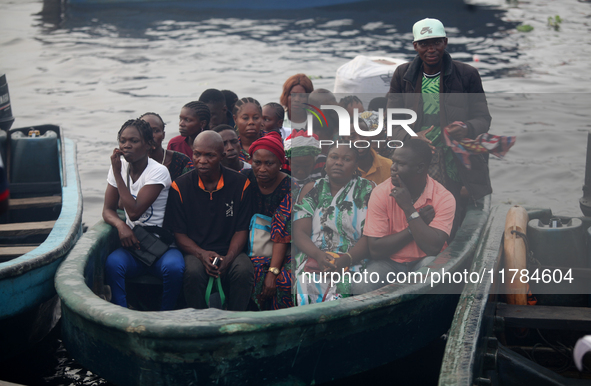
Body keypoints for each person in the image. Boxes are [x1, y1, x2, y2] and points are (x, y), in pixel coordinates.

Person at [386, 17, 492, 207]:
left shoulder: (467, 74)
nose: (431, 49)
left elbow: (483, 118)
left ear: (445, 42)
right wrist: (411, 136)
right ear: (415, 46)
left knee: (449, 208)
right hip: (416, 158)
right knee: (416, 207)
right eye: (424, 44)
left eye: (436, 42)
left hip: (454, 159)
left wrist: (467, 128)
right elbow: (391, 121)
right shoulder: (402, 75)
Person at [165, 131, 254, 311]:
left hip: (230, 250)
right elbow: (179, 234)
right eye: (197, 154)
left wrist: (228, 258)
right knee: (192, 272)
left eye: (209, 155)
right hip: (196, 250)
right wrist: (202, 254)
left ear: (221, 156)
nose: (202, 160)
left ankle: (238, 320)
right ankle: (198, 322)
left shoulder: (240, 183)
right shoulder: (180, 187)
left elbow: (241, 229)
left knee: (243, 270)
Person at [352, 139, 455, 295]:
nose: (392, 168)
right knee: (361, 286)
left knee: (431, 273)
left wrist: (408, 208)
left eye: (400, 164)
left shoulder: (443, 198)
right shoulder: (381, 193)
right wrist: (415, 223)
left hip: (424, 260)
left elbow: (432, 248)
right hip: (389, 262)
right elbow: (375, 250)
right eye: (393, 162)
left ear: (420, 168)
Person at [103, 119, 185, 311]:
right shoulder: (120, 167)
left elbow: (133, 211)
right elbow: (108, 209)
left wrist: (117, 173)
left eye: (134, 141)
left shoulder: (158, 172)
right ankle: (121, 317)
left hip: (161, 246)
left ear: (149, 144)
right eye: (122, 141)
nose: (126, 146)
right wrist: (121, 226)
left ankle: (166, 317)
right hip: (134, 246)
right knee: (113, 264)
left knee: (174, 268)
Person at [293, 144, 374, 305]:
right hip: (315, 256)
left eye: (346, 159)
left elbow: (371, 235)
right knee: (305, 285)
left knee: (345, 294)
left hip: (353, 260)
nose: (339, 162)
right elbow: (299, 232)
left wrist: (346, 260)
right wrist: (319, 255)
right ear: (325, 162)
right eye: (334, 157)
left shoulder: (367, 190)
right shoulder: (312, 188)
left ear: (356, 165)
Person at [241, 132, 292, 310]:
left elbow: (283, 232)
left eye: (269, 163)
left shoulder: (290, 187)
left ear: (280, 163)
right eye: (257, 163)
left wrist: (273, 271)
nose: (262, 169)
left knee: (282, 280)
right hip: (250, 244)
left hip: (285, 248)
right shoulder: (245, 179)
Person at [140, 112, 194, 181]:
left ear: (163, 135)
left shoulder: (182, 162)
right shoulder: (132, 162)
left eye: (156, 131)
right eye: (146, 131)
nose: (151, 135)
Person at [349, 116, 392, 185]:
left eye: (363, 135)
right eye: (352, 137)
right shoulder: (339, 169)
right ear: (343, 141)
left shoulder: (389, 166)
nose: (359, 140)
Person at [234, 97, 263, 163]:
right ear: (235, 119)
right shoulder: (231, 147)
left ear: (261, 118)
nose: (251, 122)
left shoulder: (273, 142)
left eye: (256, 118)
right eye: (245, 118)